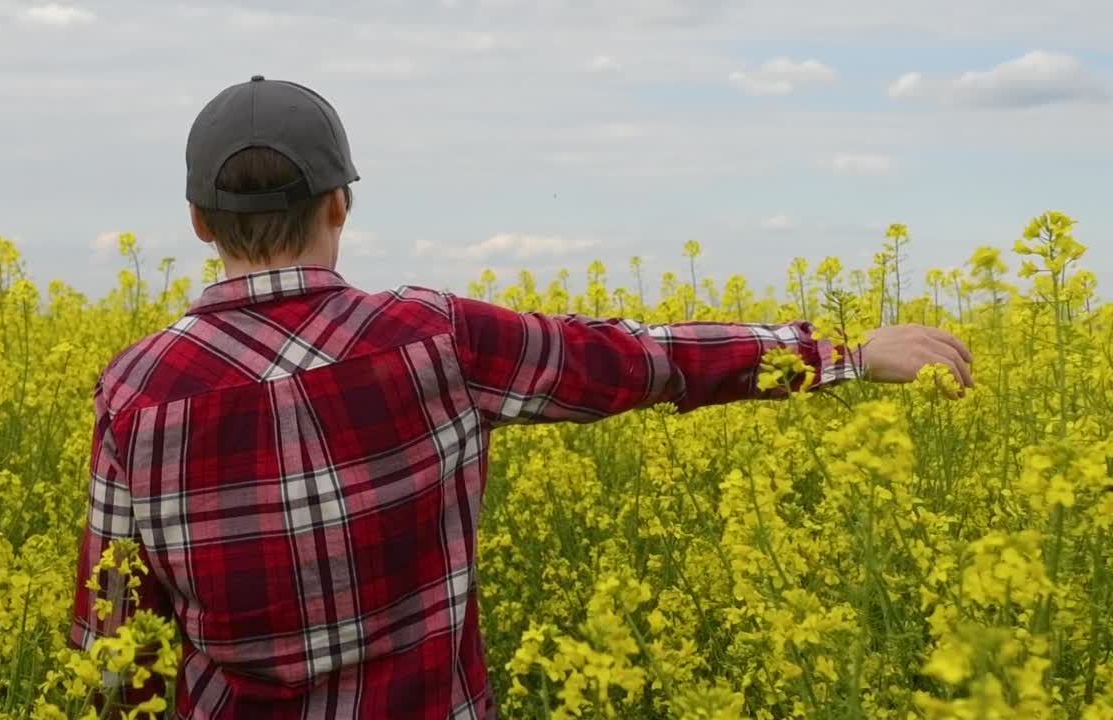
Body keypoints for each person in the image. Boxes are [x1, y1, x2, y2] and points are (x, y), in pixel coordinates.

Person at [70, 75, 974, 720]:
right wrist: (841, 355)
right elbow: (635, 360)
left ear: (197, 222)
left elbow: (116, 646)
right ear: (340, 205)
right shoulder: (432, 338)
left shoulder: (136, 393)